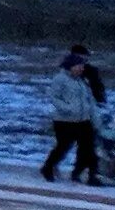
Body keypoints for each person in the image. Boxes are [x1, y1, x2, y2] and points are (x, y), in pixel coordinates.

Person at [43, 52, 103, 186]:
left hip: (83, 120)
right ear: (70, 66)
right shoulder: (60, 79)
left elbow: (90, 102)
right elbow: (54, 98)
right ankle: (48, 168)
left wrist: (96, 119)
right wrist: (67, 108)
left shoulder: (83, 82)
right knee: (63, 147)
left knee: (88, 149)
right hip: (64, 121)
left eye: (82, 66)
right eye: (79, 66)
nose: (82, 68)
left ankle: (88, 175)